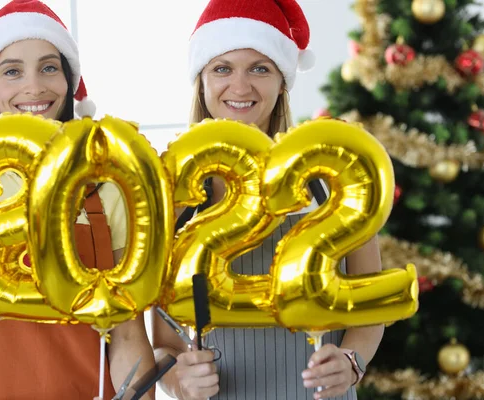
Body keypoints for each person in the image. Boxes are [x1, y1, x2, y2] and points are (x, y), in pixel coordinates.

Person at [0, 1, 155, 399]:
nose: (34, 87)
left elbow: (127, 337)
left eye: (49, 67)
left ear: (69, 79)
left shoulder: (110, 192)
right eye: (12, 71)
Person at [152, 0, 384, 399]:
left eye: (260, 68)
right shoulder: (170, 192)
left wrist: (351, 362)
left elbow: (370, 309)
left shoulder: (332, 177)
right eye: (222, 68)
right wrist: (178, 382)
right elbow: (162, 340)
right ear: (202, 81)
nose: (240, 87)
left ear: (282, 82)